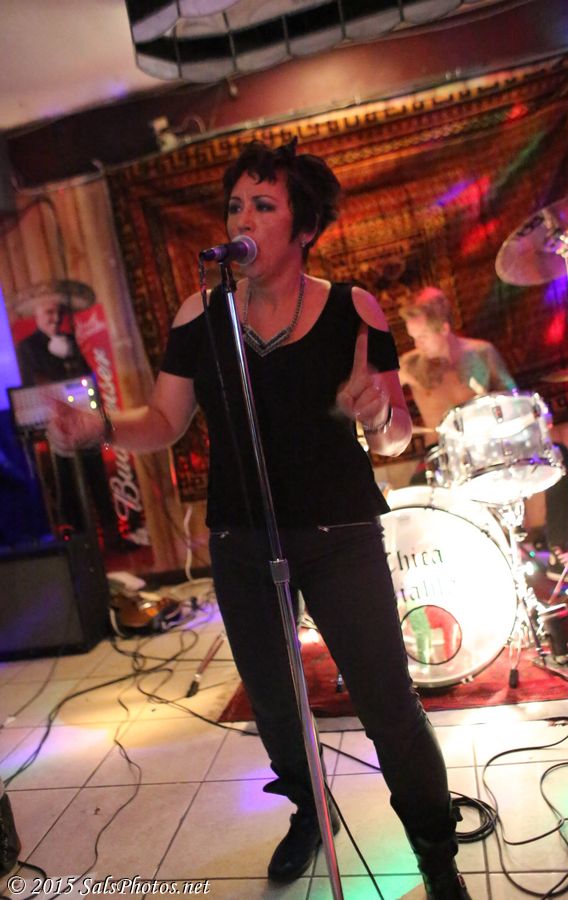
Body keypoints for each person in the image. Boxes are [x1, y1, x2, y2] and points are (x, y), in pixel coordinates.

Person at [48, 140, 472, 899]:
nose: (242, 218)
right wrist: (100, 427)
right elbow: (165, 421)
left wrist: (380, 413)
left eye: (263, 205)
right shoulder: (200, 314)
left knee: (387, 704)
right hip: (241, 538)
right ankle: (310, 811)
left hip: (339, 534)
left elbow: (395, 436)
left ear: (303, 227)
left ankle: (436, 855)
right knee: (275, 706)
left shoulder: (352, 308)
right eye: (235, 205)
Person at [399, 286, 568, 580]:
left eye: (422, 336)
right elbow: (377, 389)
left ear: (444, 328)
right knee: (412, 502)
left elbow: (513, 400)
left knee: (559, 456)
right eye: (413, 337)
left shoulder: (480, 353)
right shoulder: (410, 365)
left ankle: (561, 551)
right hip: (440, 458)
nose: (417, 344)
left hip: (487, 450)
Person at [13, 283, 137, 554]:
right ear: (37, 315)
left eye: (59, 312)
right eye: (49, 312)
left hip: (84, 420)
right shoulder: (27, 347)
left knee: (97, 477)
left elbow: (85, 375)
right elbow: (33, 383)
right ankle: (80, 543)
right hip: (54, 426)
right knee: (66, 484)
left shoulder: (70, 341)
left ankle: (112, 536)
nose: (55, 318)